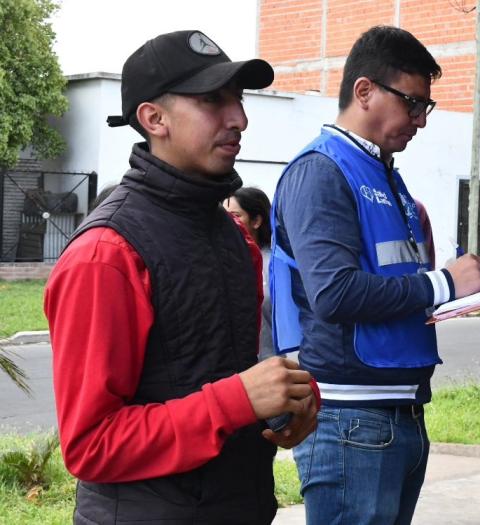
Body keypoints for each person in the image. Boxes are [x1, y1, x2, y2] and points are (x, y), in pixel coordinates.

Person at [44, 30, 318, 524]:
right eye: (213, 100)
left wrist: (290, 401)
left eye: (237, 98)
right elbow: (90, 446)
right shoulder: (107, 253)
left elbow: (241, 368)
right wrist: (237, 401)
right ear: (154, 118)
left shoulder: (235, 238)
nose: (239, 118)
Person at [271, 25, 480, 524]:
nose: (420, 120)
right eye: (413, 103)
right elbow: (335, 293)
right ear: (364, 91)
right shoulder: (322, 171)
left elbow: (394, 287)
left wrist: (468, 293)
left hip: (396, 414)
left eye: (427, 107)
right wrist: (443, 282)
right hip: (352, 418)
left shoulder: (383, 172)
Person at [225, 186, 275, 358]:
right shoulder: (219, 260)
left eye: (236, 215)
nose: (228, 221)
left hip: (268, 364)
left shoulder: (274, 265)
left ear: (256, 221)